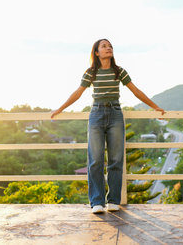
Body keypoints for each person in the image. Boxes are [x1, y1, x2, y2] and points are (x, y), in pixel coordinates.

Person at [51, 39, 165, 214]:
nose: (108, 48)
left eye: (110, 46)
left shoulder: (119, 71)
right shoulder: (91, 72)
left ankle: (113, 201)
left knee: (116, 160)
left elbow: (136, 91)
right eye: (104, 46)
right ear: (96, 52)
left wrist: (154, 106)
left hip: (115, 114)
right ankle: (97, 201)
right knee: (95, 160)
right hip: (96, 114)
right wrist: (60, 108)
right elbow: (78, 93)